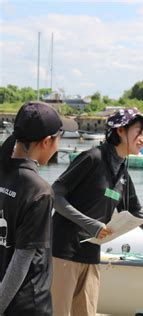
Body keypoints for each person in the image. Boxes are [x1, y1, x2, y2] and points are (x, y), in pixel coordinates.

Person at [50, 108, 143, 316]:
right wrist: (90, 224)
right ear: (121, 131)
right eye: (139, 132)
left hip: (91, 255)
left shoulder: (122, 170)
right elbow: (55, 194)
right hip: (63, 253)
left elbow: (137, 213)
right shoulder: (92, 158)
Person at [0, 101, 76, 315]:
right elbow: (21, 262)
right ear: (46, 142)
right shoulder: (39, 191)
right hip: (27, 304)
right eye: (59, 138)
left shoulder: (3, 173)